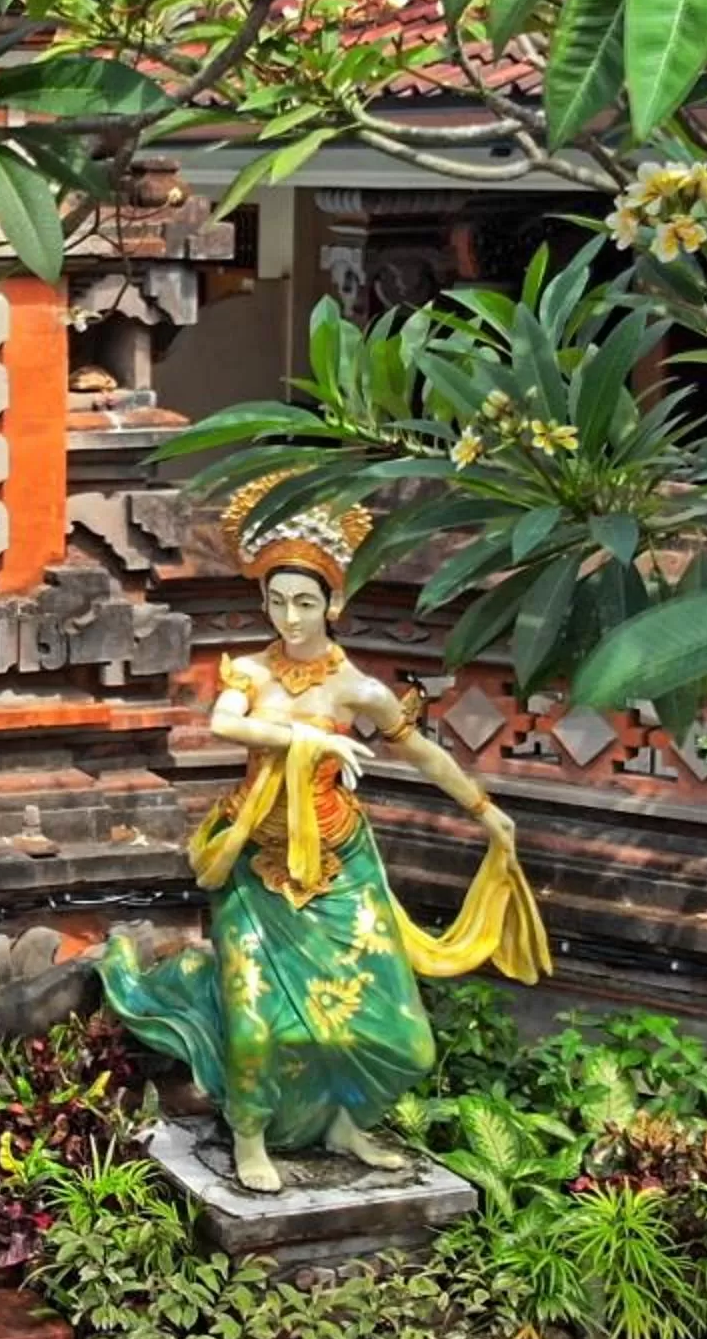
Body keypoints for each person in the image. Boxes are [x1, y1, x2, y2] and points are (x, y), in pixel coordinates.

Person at [101, 485, 550, 1194]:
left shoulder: (357, 688)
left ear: (333, 605)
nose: (289, 617)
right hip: (257, 862)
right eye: (277, 601)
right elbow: (224, 724)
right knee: (259, 1027)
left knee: (396, 1032)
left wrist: (485, 809)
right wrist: (302, 735)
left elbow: (425, 755)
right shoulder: (250, 673)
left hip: (342, 864)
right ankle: (250, 1133)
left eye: (304, 603)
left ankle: (343, 1120)